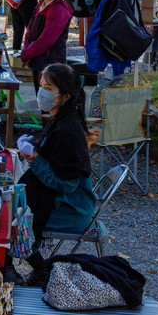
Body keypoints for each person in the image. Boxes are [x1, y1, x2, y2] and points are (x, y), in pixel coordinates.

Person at [14, 63, 95, 284]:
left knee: (11, 217)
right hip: (59, 196)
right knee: (10, 205)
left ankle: (41, 270)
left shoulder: (68, 129)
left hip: (70, 206)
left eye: (48, 89)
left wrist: (36, 158)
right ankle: (24, 267)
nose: (41, 93)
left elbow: (65, 184)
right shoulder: (60, 118)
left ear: (66, 96)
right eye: (41, 86)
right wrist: (34, 149)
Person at [21, 0, 75, 73]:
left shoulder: (58, 9)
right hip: (36, 57)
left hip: (51, 60)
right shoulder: (40, 5)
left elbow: (47, 39)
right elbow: (30, 30)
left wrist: (27, 53)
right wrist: (27, 50)